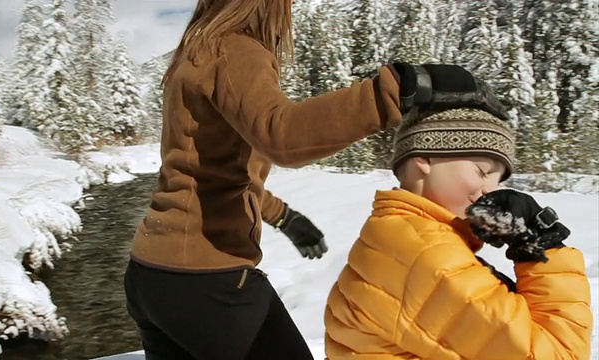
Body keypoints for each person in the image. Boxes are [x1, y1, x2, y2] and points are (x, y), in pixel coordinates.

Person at [123, 0, 511, 358]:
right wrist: (398, 90)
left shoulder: (198, 48)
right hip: (207, 281)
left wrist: (284, 217)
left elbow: (206, 173)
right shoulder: (234, 49)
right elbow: (283, 135)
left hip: (152, 276)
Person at [324, 108, 593, 359]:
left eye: (497, 180)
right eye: (482, 172)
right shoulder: (429, 254)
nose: (490, 190)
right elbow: (560, 352)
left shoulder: (398, 236)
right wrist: (543, 244)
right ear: (425, 159)